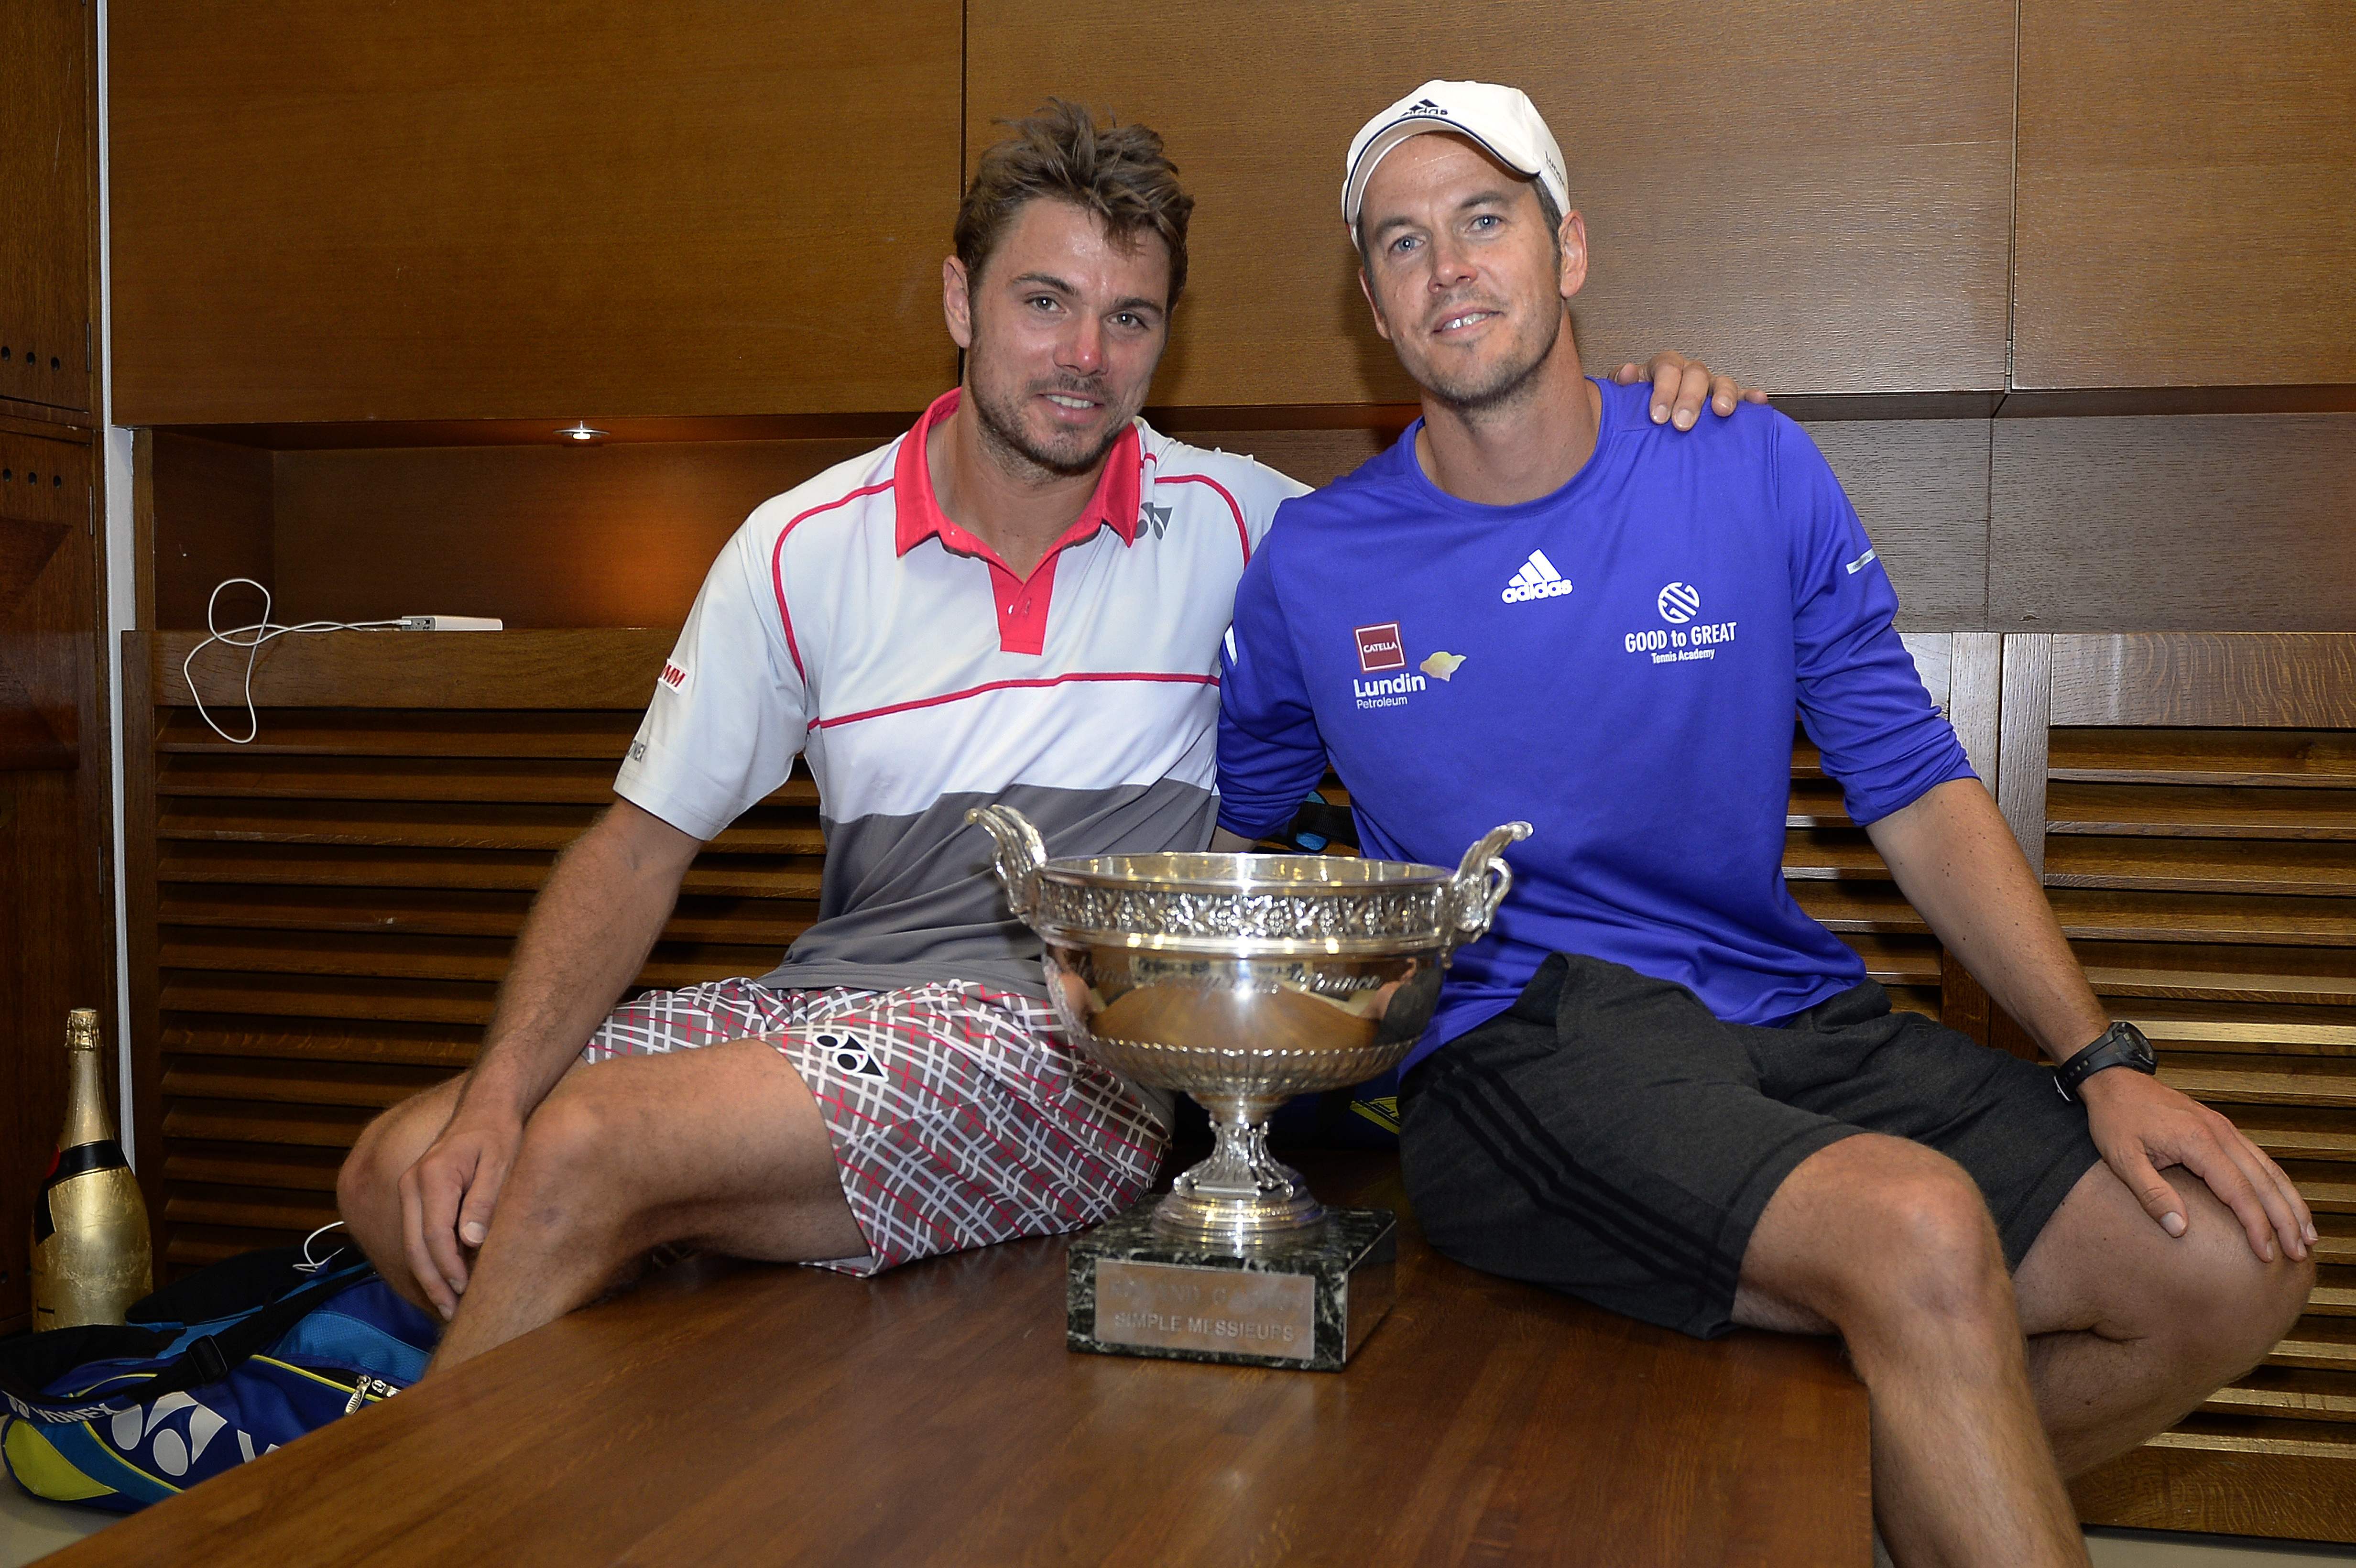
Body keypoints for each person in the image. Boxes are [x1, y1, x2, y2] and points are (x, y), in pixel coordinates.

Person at [334, 99, 1748, 1373]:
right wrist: (492, 1097)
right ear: (960, 299)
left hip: (1067, 1052)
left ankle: (425, 1511)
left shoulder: (1254, 530)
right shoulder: (798, 548)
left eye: (1131, 318)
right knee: (401, 1163)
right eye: (1044, 302)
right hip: (824, 1013)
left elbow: (1471, 524)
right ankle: (612, 1444)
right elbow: (636, 854)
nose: (1086, 357)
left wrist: (1629, 416)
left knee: (580, 1151)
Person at [1212, 80, 2313, 1568]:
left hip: (1783, 1007)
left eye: (1485, 220)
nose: (1449, 266)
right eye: (1403, 245)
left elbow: (1914, 783)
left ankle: (1806, 1514)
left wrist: (2096, 1056)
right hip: (1517, 1037)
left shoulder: (1744, 461)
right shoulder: (1315, 561)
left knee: (2231, 1263)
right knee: (1918, 1231)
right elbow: (1241, 839)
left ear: (1570, 249)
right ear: (1375, 304)